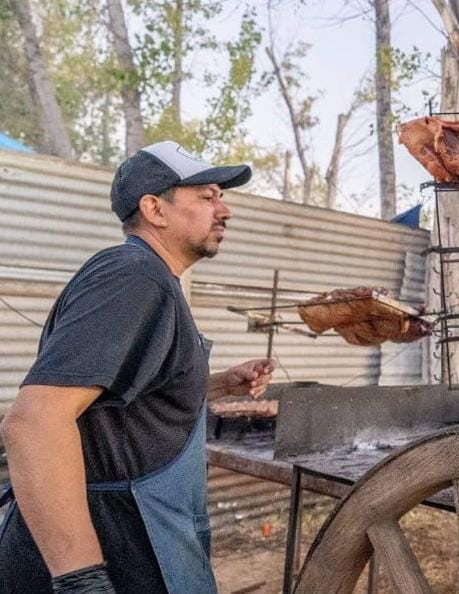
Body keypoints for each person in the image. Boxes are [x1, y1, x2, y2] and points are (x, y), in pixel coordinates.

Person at [0, 141, 276, 593]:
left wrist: (217, 384)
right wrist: (82, 582)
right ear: (154, 209)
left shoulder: (147, 278)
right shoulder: (134, 277)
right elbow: (34, 423)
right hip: (114, 551)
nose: (225, 211)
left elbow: (119, 402)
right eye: (207, 197)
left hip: (131, 541)